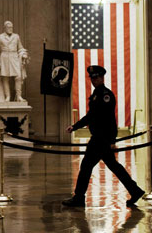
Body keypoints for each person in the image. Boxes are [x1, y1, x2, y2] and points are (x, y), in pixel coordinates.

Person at [62, 65, 144, 207]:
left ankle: (79, 197)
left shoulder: (105, 95)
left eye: (96, 78)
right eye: (92, 78)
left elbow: (105, 119)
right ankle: (135, 190)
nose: (94, 80)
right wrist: (75, 126)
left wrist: (111, 139)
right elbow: (91, 116)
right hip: (101, 138)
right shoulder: (97, 94)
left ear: (101, 78)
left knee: (86, 165)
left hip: (101, 138)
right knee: (113, 166)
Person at [0, 21, 28, 102]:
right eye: (9, 27)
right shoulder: (0, 37)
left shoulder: (16, 36)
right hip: (4, 58)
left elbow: (20, 48)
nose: (10, 29)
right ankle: (7, 97)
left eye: (11, 27)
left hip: (14, 58)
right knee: (5, 78)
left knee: (18, 77)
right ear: (5, 28)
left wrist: (23, 54)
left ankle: (19, 96)